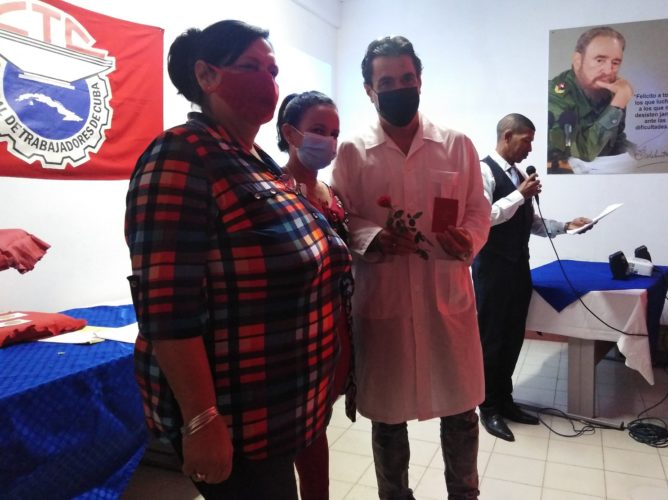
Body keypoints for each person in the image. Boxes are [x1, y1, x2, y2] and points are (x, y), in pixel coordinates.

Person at [124, 20, 351, 500]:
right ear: (206, 75)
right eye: (251, 67)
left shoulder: (256, 160)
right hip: (239, 417)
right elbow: (167, 308)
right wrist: (201, 420)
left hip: (285, 406)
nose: (268, 82)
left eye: (272, 70)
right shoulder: (181, 155)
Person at [332, 35, 491, 500]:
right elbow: (340, 216)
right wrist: (372, 237)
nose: (399, 88)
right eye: (386, 82)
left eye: (406, 78)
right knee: (387, 418)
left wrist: (470, 237)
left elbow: (478, 209)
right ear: (369, 90)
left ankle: (464, 495)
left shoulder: (456, 145)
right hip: (384, 300)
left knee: (461, 413)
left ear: (420, 80)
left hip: (446, 299)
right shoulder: (352, 151)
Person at [473, 113, 592, 442]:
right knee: (492, 340)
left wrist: (565, 226)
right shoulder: (482, 171)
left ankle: (505, 401)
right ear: (507, 136)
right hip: (492, 270)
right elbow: (483, 218)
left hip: (518, 268)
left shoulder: (519, 175)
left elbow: (529, 221)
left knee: (513, 337)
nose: (529, 149)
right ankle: (488, 407)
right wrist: (519, 195)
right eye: (526, 141)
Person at [276, 90, 355, 500]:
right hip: (296, 331)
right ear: (291, 133)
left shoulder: (331, 191)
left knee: (317, 426)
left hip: (337, 324)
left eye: (335, 133)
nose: (329, 141)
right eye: (319, 130)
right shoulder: (275, 190)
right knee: (298, 433)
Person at [548, 26, 634, 165]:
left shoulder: (612, 91)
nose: (608, 71)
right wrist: (617, 105)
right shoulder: (555, 96)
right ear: (578, 61)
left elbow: (616, 141)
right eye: (600, 60)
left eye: (615, 63)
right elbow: (583, 152)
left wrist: (638, 157)